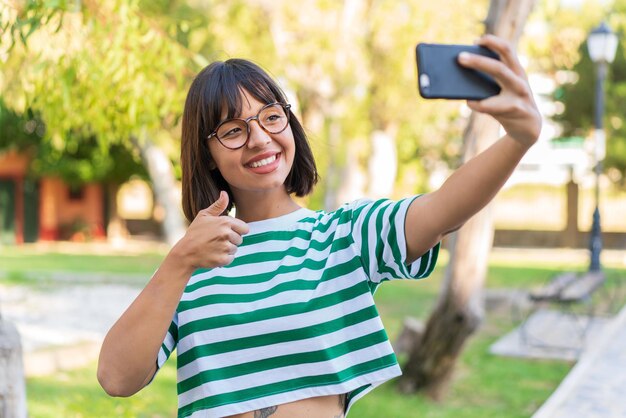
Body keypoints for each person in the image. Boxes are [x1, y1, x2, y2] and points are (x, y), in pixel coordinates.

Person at [97, 34, 541, 418]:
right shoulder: (194, 261)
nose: (259, 138)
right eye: (232, 130)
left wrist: (518, 139)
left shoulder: (345, 237)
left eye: (271, 117)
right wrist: (178, 263)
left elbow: (445, 207)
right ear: (206, 152)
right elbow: (116, 377)